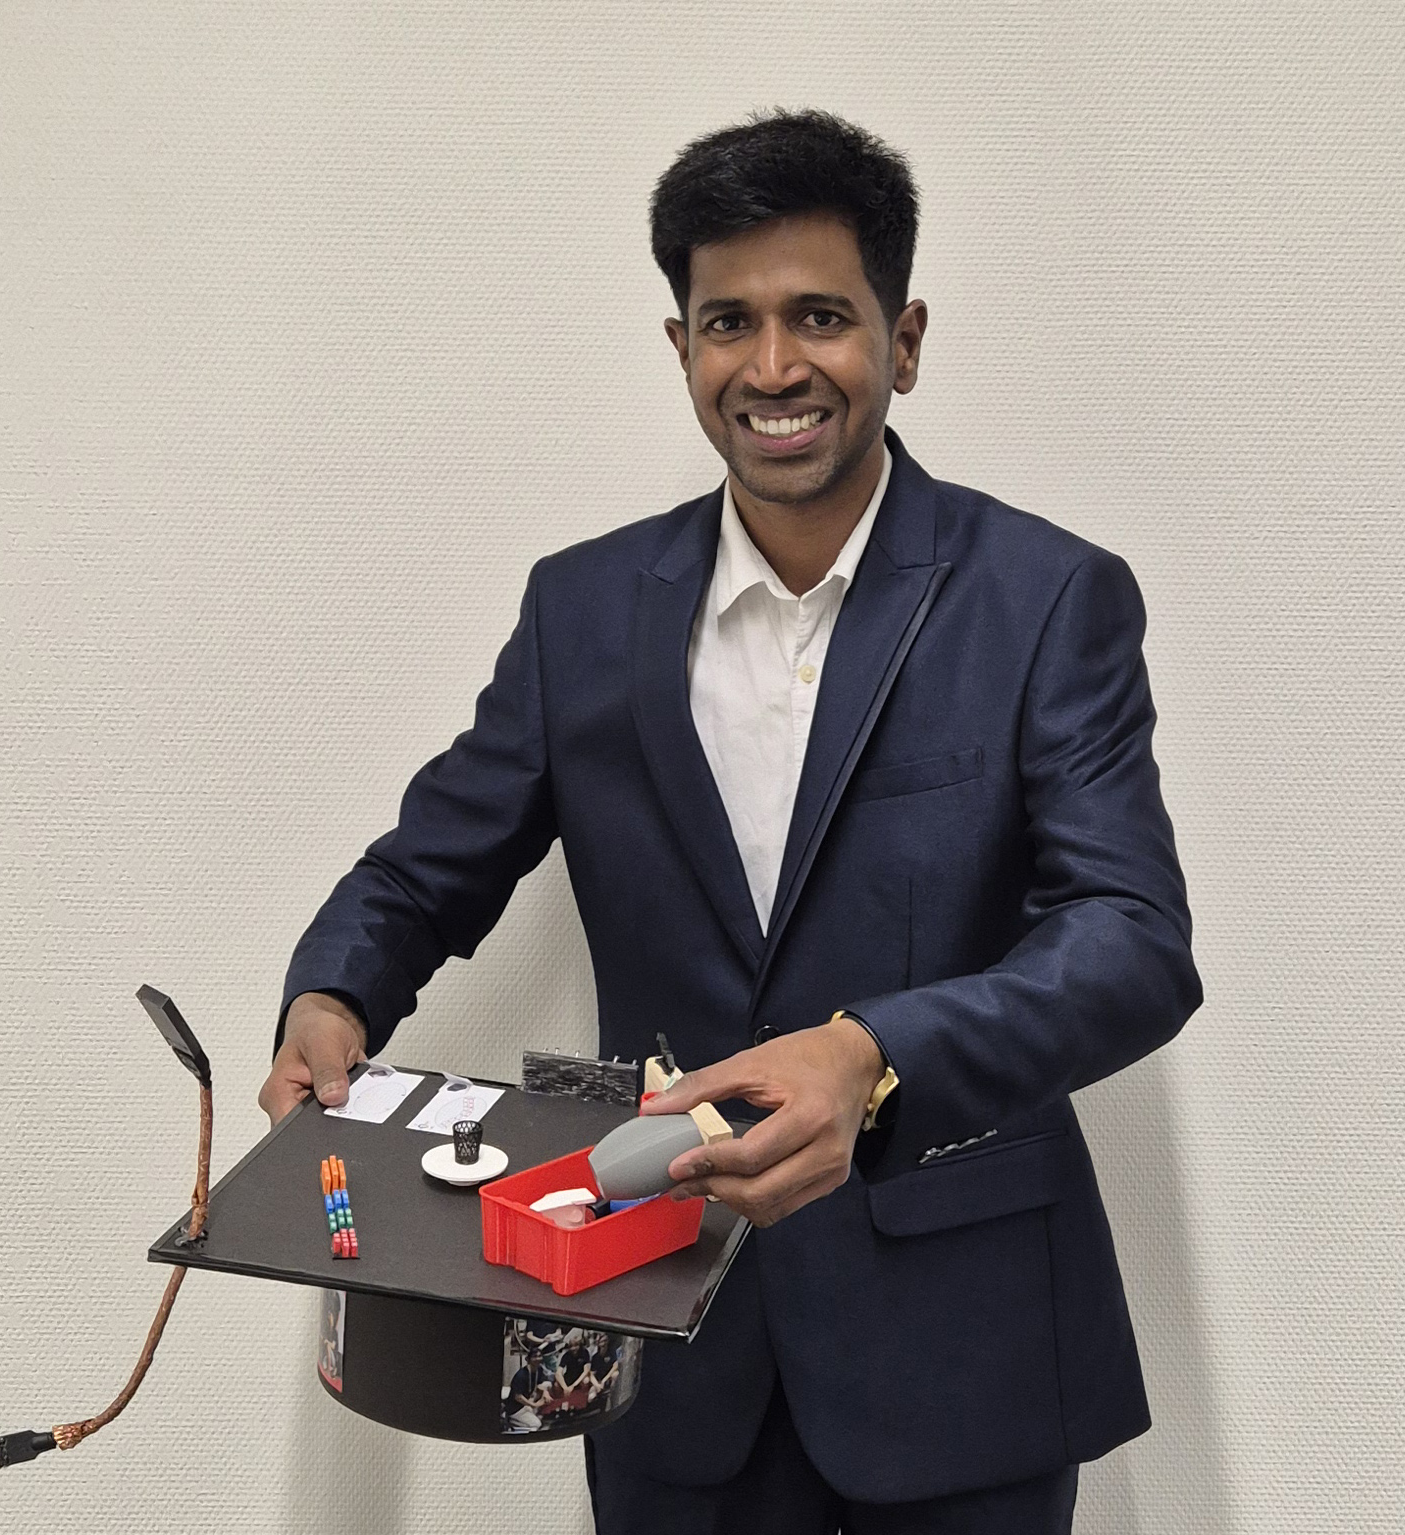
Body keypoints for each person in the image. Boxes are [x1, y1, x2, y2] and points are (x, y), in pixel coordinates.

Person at [258, 109, 1202, 1534]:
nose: (771, 368)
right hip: (663, 1336)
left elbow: (1131, 941)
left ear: (903, 340)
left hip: (966, 1347)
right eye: (728, 323)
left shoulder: (1046, 597)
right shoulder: (580, 611)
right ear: (681, 346)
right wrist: (331, 994)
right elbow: (424, 869)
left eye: (820, 316)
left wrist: (873, 1053)